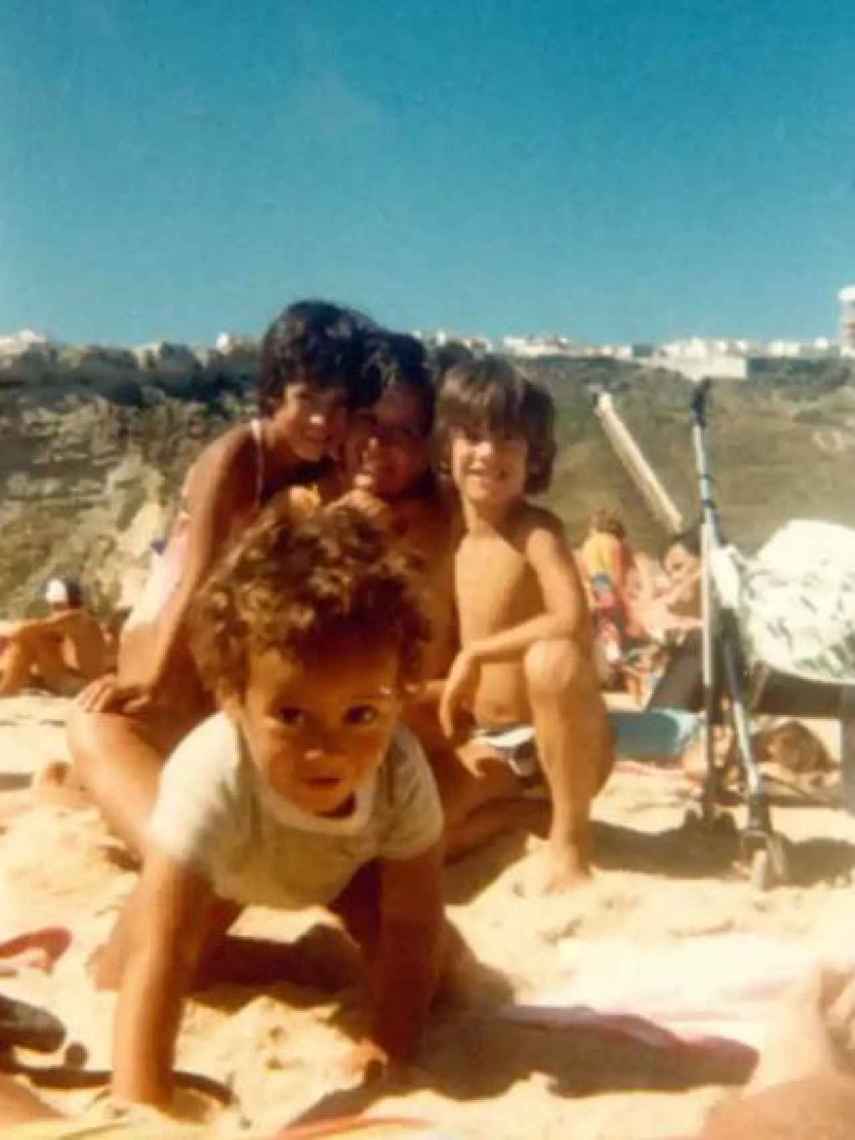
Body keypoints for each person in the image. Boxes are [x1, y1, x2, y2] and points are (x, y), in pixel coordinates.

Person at [91, 500, 454, 1112]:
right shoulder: (214, 772)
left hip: (344, 869)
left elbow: (414, 927)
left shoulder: (398, 770)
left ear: (399, 697)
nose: (327, 749)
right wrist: (143, 1109)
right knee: (126, 971)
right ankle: (275, 957)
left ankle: (317, 955)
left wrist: (386, 1043)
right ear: (233, 696)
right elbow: (163, 954)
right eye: (292, 716)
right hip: (234, 859)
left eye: (361, 715)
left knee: (442, 974)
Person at [67, 300, 380, 858]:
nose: (322, 421)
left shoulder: (323, 478)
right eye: (307, 398)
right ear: (274, 391)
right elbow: (199, 578)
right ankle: (174, 859)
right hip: (167, 661)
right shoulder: (238, 456)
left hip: (222, 685)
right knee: (99, 735)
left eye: (338, 405)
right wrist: (153, 682)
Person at [432, 356, 613, 892]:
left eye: (508, 439)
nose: (489, 453)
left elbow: (570, 617)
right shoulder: (452, 539)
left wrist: (478, 653)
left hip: (561, 738)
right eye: (472, 436)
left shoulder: (534, 529)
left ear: (534, 457)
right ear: (446, 446)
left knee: (551, 658)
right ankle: (524, 817)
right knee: (426, 838)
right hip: (495, 747)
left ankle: (571, 841)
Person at [0, 578, 108, 697]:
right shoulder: (75, 623)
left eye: (55, 606)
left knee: (29, 638)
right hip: (72, 682)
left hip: (83, 686)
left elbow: (24, 630)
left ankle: (5, 694)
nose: (52, 610)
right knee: (33, 640)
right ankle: (6, 692)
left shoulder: (79, 619)